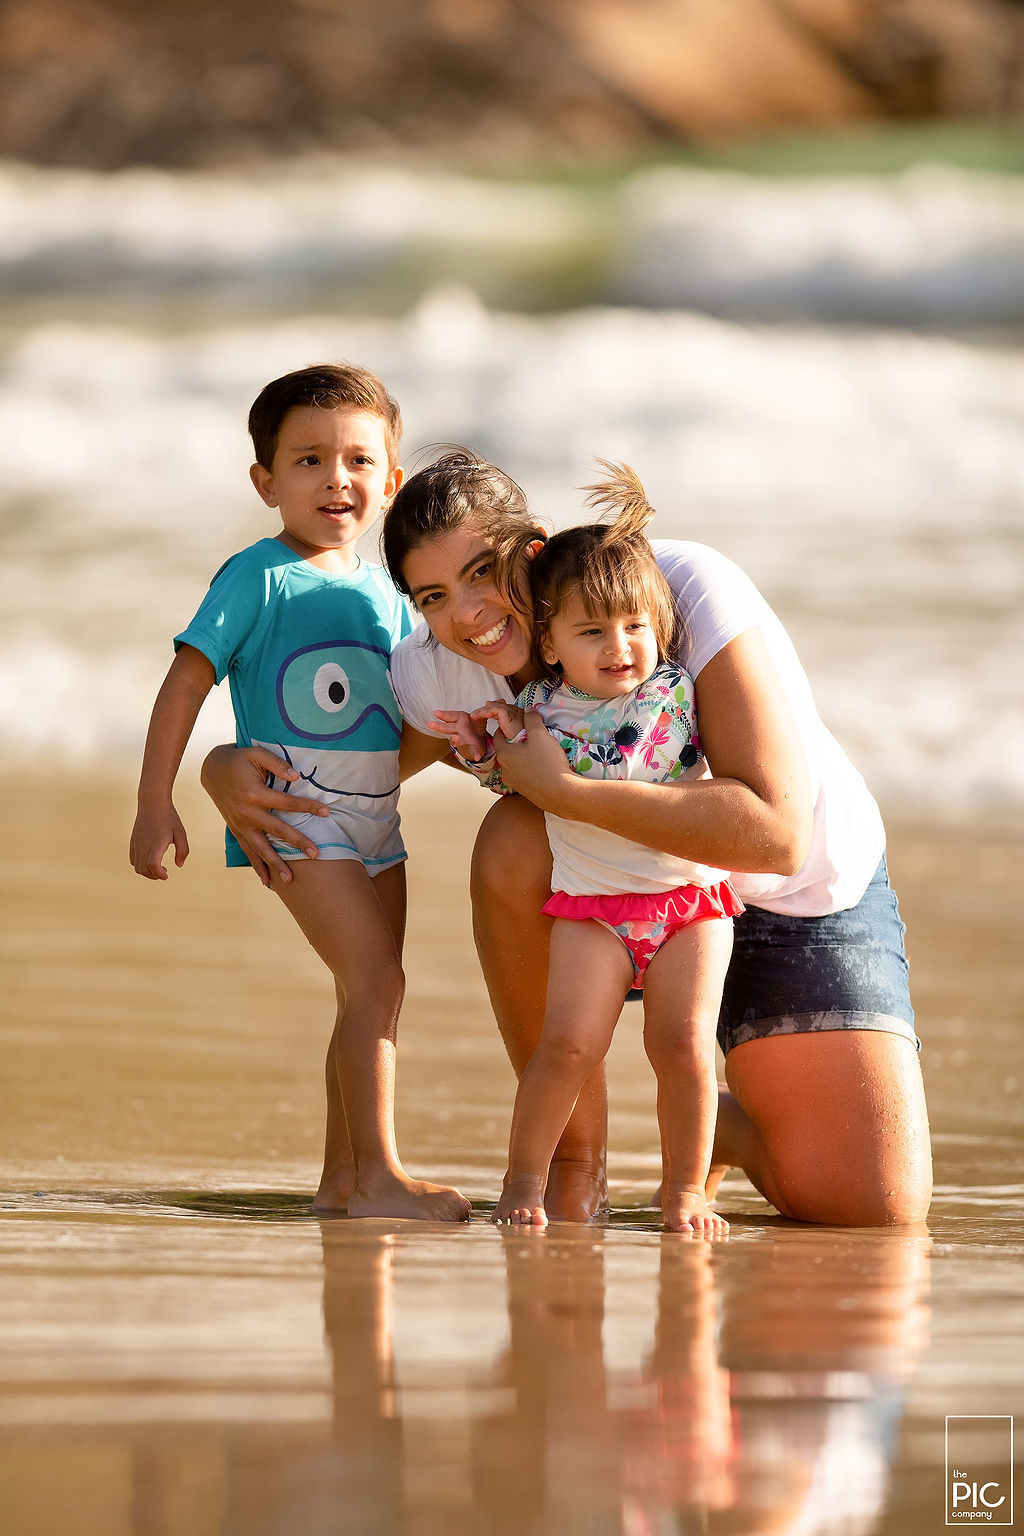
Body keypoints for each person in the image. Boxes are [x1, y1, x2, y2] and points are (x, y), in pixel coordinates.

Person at [201, 450, 932, 1229]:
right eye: (435, 596)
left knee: (868, 1206)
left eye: (486, 572)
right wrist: (220, 771)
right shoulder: (440, 670)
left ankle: (727, 1129)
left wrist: (568, 792)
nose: (472, 615)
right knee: (512, 838)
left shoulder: (676, 591)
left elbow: (777, 834)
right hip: (607, 906)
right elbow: (363, 767)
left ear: (537, 550)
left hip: (792, 898)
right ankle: (576, 1161)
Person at [129, 364, 471, 1223]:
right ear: (266, 482)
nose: (336, 479)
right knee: (377, 983)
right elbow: (185, 682)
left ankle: (341, 1183)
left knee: (365, 992)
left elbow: (405, 722)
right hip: (296, 822)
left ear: (391, 480)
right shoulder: (259, 576)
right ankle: (384, 1177)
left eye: (359, 460)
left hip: (378, 828)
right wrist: (156, 799)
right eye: (310, 460)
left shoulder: (391, 593)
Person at [431, 467, 742, 1233]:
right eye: (593, 632)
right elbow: (507, 774)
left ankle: (685, 1193)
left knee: (683, 1048)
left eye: (635, 625)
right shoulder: (534, 708)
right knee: (565, 1045)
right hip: (591, 909)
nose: (619, 647)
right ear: (549, 641)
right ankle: (526, 1181)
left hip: (689, 903)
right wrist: (478, 746)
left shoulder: (677, 691)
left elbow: (742, 790)